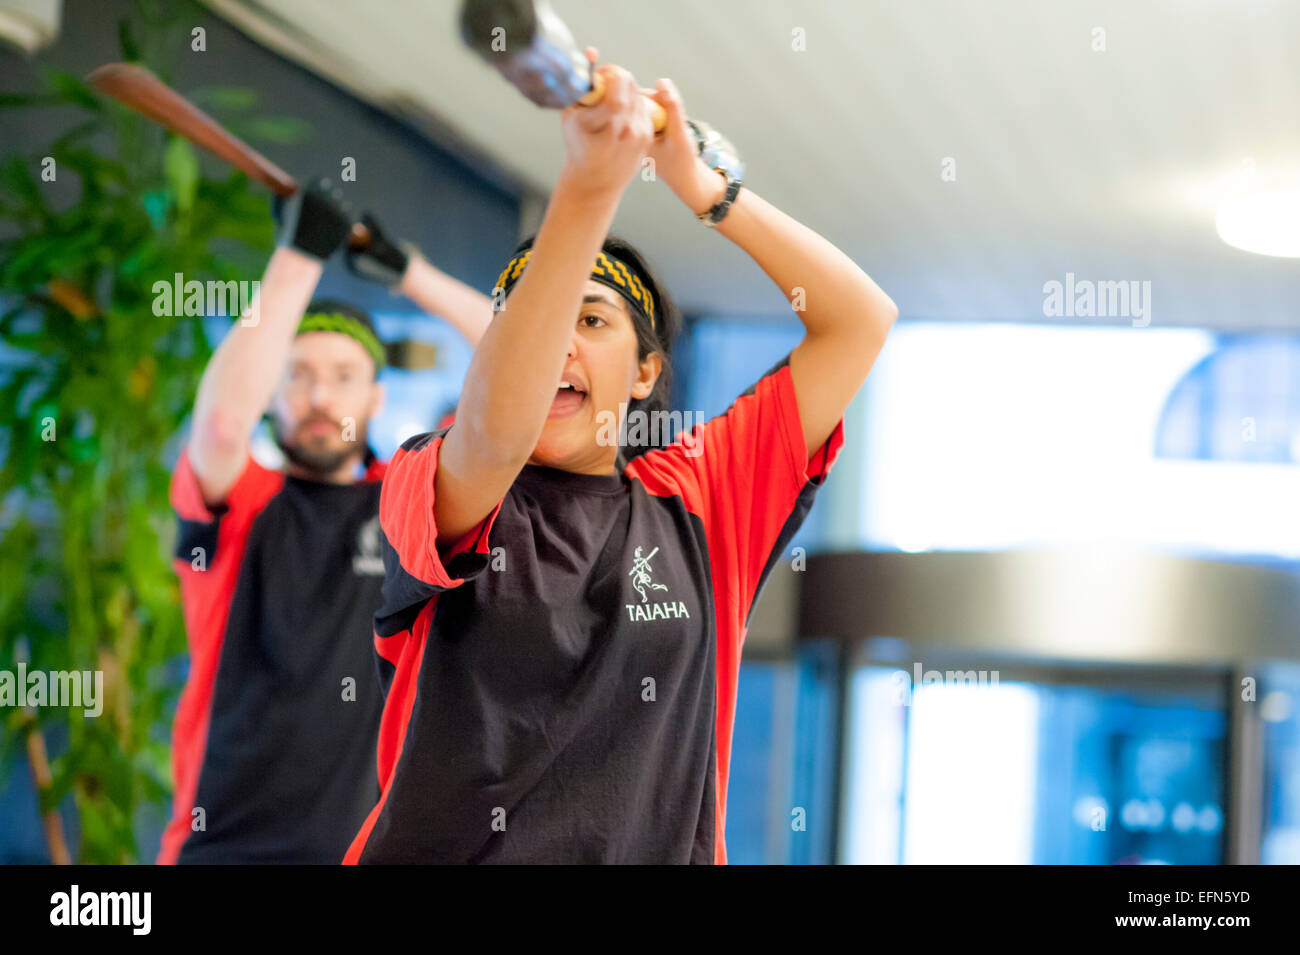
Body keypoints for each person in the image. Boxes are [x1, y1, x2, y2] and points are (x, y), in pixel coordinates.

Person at [344, 62, 899, 865]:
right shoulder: (429, 477)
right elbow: (497, 431)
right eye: (532, 320)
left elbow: (857, 320)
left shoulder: (701, 496)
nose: (558, 342)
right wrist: (587, 183)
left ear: (644, 372)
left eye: (593, 318)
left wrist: (705, 188)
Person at [158, 182, 492, 863]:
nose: (318, 395)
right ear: (271, 393)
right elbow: (222, 423)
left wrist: (412, 274)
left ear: (375, 397)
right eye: (298, 374)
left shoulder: (409, 504)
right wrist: (299, 257)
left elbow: (527, 374)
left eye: (342, 375)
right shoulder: (240, 500)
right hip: (219, 849)